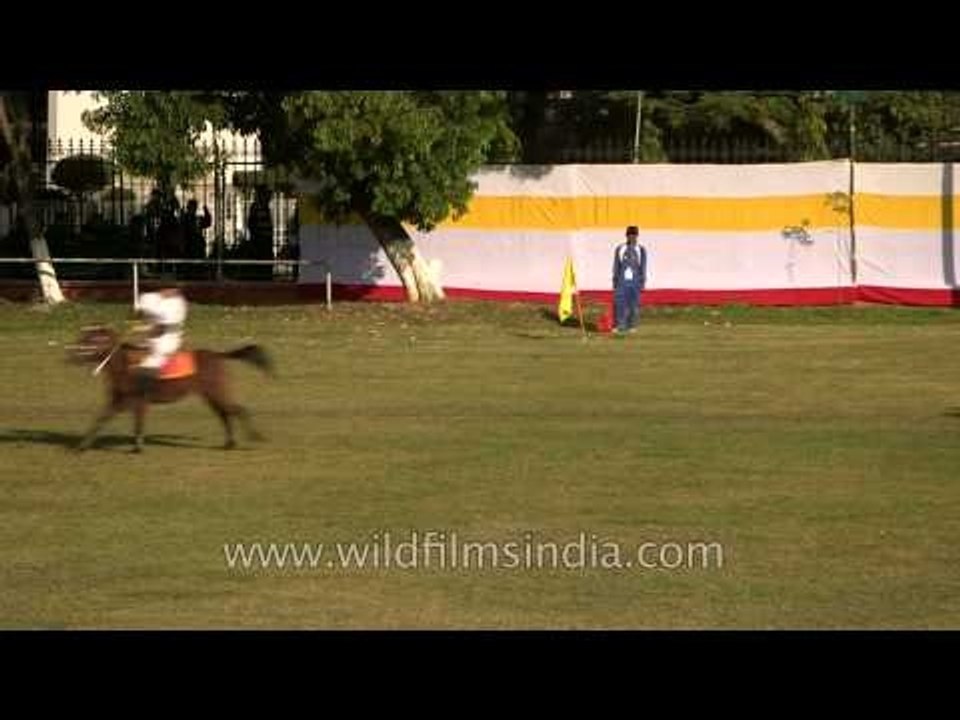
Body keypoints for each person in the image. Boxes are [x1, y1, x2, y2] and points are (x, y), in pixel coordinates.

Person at [132, 287, 188, 396]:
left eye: (171, 290)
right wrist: (140, 320)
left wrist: (144, 328)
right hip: (151, 338)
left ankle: (149, 392)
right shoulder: (151, 298)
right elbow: (142, 315)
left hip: (168, 339)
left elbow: (161, 327)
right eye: (165, 289)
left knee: (152, 362)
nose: (167, 291)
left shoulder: (176, 303)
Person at [612, 225, 648, 333]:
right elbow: (616, 265)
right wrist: (615, 280)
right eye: (630, 235)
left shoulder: (641, 250)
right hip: (621, 282)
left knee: (634, 305)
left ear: (637, 236)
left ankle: (631, 326)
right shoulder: (620, 248)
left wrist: (642, 282)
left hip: (635, 282)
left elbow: (643, 266)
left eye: (634, 235)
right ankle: (619, 325)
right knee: (619, 304)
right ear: (626, 236)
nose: (632, 237)